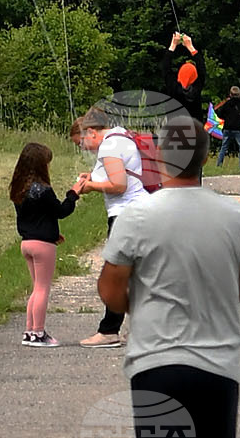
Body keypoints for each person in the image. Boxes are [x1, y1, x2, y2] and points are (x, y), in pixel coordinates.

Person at [96, 104, 240, 438]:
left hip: (155, 361)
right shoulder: (233, 215)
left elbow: (110, 291)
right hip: (217, 363)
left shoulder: (135, 217)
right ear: (205, 158)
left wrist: (142, 304)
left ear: (158, 156)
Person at [74, 104, 151, 343]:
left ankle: (109, 331)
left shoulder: (109, 146)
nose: (82, 147)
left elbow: (119, 185)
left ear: (91, 132)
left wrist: (90, 186)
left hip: (125, 215)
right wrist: (93, 176)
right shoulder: (121, 136)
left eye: (81, 142)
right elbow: (119, 173)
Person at [8, 139, 78, 347]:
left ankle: (30, 332)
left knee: (36, 288)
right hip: (43, 245)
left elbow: (36, 216)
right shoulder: (43, 190)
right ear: (40, 165)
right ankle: (38, 333)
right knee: (42, 289)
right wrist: (73, 194)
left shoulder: (19, 189)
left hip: (27, 243)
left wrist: (52, 232)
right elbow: (60, 211)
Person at [214, 86, 240, 174]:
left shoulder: (227, 103)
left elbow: (219, 114)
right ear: (239, 94)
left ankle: (218, 166)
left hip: (227, 128)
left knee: (224, 147)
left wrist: (227, 118)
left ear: (230, 94)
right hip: (238, 128)